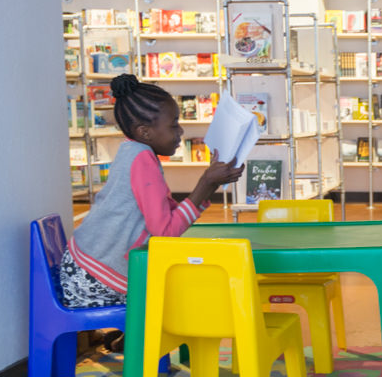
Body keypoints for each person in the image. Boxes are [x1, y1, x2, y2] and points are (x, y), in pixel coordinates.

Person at [59, 74, 244, 351]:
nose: (180, 132)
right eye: (174, 125)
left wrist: (209, 184)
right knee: (185, 285)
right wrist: (206, 183)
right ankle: (151, 343)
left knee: (178, 279)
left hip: (81, 270)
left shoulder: (134, 153)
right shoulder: (142, 159)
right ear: (145, 131)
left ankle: (134, 337)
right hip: (92, 278)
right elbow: (165, 231)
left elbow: (164, 214)